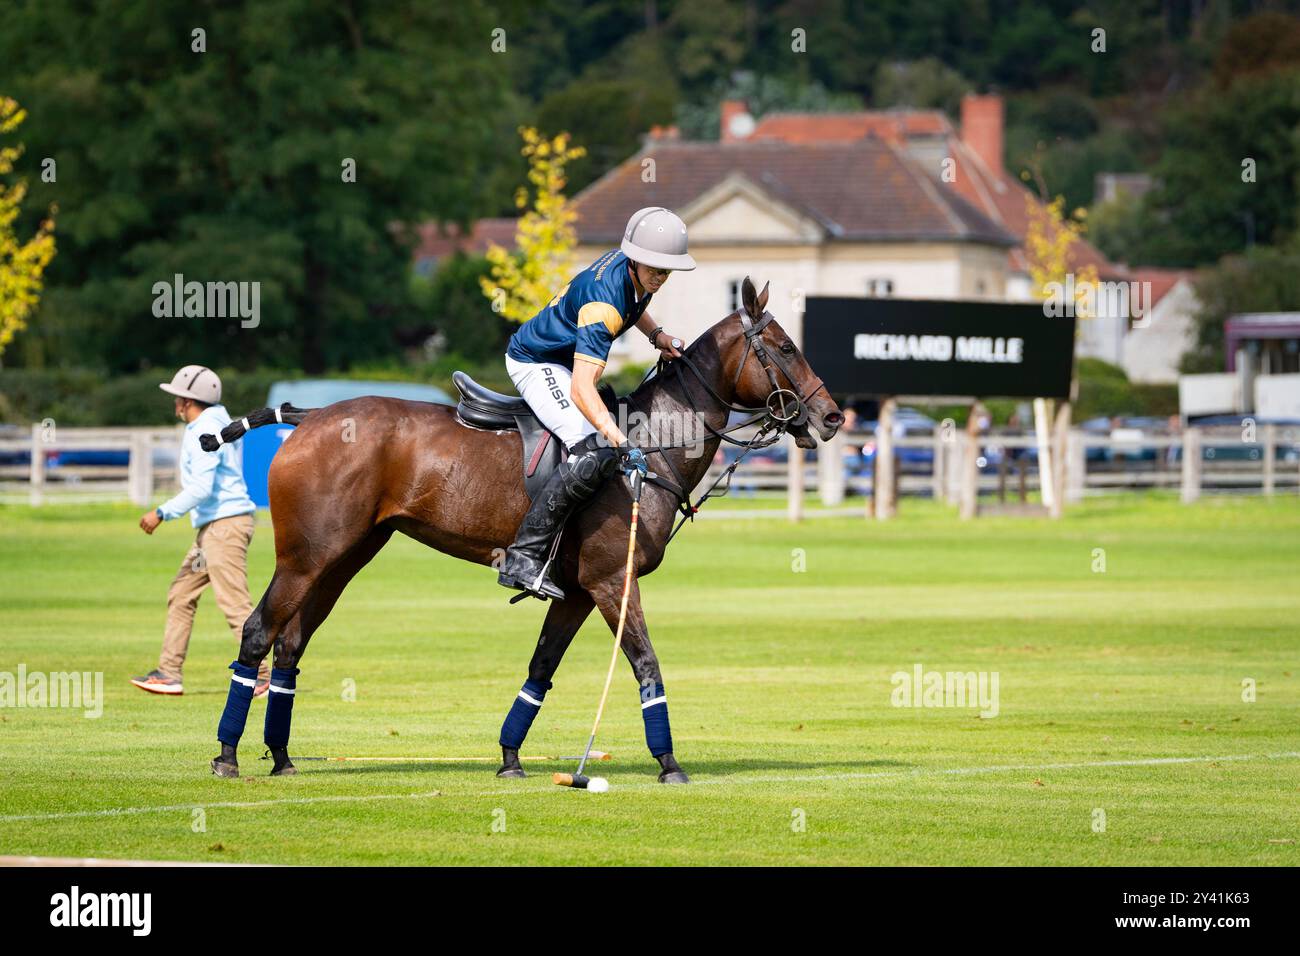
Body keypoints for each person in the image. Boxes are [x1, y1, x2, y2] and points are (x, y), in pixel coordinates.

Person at [496, 206, 695, 600]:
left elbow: (635, 305)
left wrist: (658, 336)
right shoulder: (602, 304)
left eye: (667, 269)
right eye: (655, 268)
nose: (661, 276)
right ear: (635, 259)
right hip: (537, 363)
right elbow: (582, 389)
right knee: (591, 450)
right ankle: (523, 557)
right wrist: (617, 438)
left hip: (563, 362)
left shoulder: (633, 270)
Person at [131, 366, 269, 696]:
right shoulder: (218, 421)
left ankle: (263, 676)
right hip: (216, 528)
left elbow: (201, 488)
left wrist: (162, 512)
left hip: (224, 529)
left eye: (177, 397)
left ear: (187, 400)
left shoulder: (202, 430)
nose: (175, 403)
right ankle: (168, 673)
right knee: (181, 593)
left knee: (234, 602)